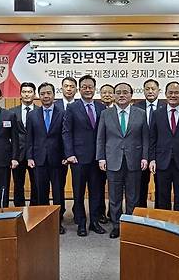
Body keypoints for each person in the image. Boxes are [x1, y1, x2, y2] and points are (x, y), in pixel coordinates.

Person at [96, 82, 149, 238]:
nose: (121, 95)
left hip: (135, 159)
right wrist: (101, 158)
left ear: (131, 95)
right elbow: (101, 138)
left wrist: (145, 156)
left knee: (133, 196)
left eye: (125, 92)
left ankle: (131, 225)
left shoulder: (140, 113)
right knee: (114, 196)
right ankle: (116, 225)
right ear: (114, 95)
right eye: (118, 92)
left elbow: (145, 137)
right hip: (112, 160)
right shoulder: (106, 114)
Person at [62, 75, 106, 236]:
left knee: (96, 191)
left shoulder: (102, 108)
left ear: (95, 89)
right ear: (79, 89)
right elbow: (66, 132)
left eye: (90, 87)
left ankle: (94, 221)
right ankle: (81, 222)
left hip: (97, 158)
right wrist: (70, 154)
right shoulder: (72, 108)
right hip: (78, 158)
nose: (88, 90)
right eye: (84, 87)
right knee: (78, 192)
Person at [149, 81, 179, 212]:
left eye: (176, 92)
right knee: (161, 196)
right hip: (161, 162)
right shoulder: (157, 114)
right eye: (170, 92)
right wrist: (152, 159)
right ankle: (161, 225)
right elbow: (152, 139)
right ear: (165, 94)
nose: (173, 95)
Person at [26, 82, 67, 234]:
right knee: (41, 192)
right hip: (39, 159)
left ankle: (57, 221)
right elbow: (29, 138)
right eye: (42, 93)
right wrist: (29, 157)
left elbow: (65, 136)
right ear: (39, 95)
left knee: (58, 192)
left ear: (54, 95)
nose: (46, 96)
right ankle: (43, 220)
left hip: (58, 160)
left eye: (48, 93)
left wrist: (65, 155)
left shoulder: (62, 113)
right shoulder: (32, 115)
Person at [133, 79, 165, 208]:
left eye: (153, 89)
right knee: (140, 184)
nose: (150, 91)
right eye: (147, 89)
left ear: (159, 91)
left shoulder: (166, 106)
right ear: (143, 90)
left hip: (161, 152)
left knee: (161, 186)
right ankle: (141, 213)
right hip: (140, 152)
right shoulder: (136, 107)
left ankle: (158, 214)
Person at [9, 82, 38, 207]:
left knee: (36, 184)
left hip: (36, 154)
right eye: (24, 92)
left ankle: (34, 211)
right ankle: (18, 210)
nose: (27, 94)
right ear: (20, 94)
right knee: (18, 184)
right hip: (17, 154)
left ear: (34, 94)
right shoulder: (11, 112)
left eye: (30, 92)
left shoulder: (40, 111)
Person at [97, 83, 116, 223]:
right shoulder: (97, 110)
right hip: (101, 155)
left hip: (116, 157)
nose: (107, 95)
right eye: (104, 92)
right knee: (99, 186)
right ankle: (100, 212)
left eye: (110, 92)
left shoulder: (119, 110)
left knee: (115, 187)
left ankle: (113, 212)